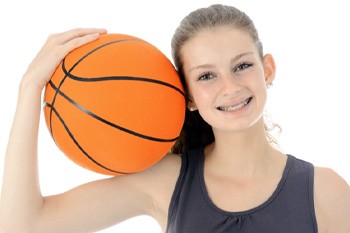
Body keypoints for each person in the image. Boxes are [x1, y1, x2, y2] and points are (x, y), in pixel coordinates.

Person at [0, 4, 349, 233]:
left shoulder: (325, 190)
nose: (230, 87)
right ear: (189, 97)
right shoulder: (166, 182)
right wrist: (29, 88)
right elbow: (23, 225)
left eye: (242, 66)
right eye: (206, 76)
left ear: (267, 69)